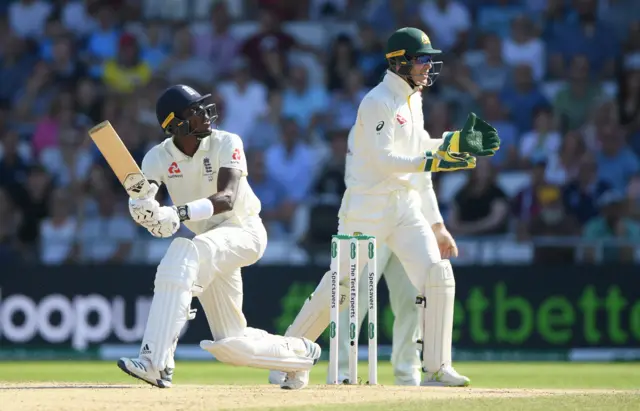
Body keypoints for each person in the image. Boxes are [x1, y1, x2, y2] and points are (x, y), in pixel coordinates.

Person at [268, 27, 500, 390]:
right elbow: (384, 158)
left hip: (404, 208)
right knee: (340, 287)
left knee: (437, 276)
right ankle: (284, 358)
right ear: (400, 62)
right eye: (422, 59)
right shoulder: (378, 101)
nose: (428, 66)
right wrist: (437, 159)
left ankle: (438, 367)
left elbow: (420, 148)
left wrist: (452, 143)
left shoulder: (413, 98)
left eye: (429, 59)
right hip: (366, 209)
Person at [117, 84, 321, 389]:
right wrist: (148, 216)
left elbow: (226, 198)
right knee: (231, 344)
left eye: (203, 106)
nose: (205, 114)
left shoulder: (227, 142)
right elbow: (147, 203)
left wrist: (178, 213)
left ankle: (154, 362)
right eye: (194, 111)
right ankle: (299, 354)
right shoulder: (157, 158)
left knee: (183, 252)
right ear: (175, 124)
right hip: (211, 240)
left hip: (243, 230)